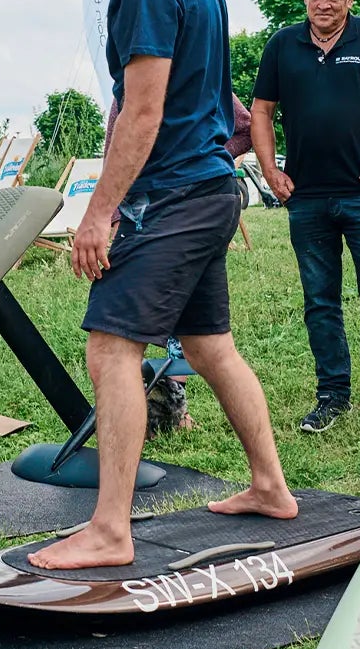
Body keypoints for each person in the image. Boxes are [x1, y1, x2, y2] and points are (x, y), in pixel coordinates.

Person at [30, 0, 297, 570]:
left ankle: (111, 529)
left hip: (176, 194)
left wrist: (98, 210)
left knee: (112, 346)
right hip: (210, 187)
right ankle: (271, 487)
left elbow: (141, 114)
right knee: (210, 347)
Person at [250, 0, 360, 433]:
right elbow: (261, 111)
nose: (324, 4)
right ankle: (332, 395)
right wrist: (269, 173)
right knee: (320, 299)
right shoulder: (283, 44)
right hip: (307, 197)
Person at [104, 90, 255, 437]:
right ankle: (160, 406)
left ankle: (172, 404)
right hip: (141, 214)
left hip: (187, 211)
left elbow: (244, 128)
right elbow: (114, 152)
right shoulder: (127, 85)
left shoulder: (198, 71)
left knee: (188, 332)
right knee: (147, 331)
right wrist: (112, 214)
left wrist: (204, 164)